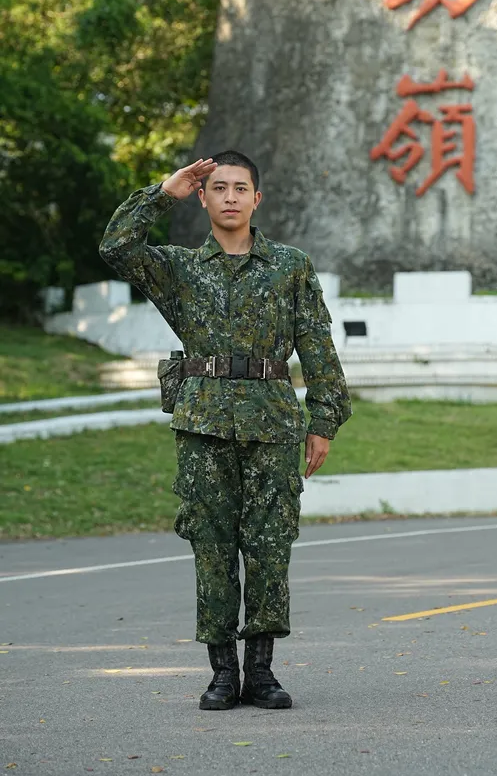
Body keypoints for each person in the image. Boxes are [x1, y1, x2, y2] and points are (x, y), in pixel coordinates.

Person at [99, 150, 351, 712]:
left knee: (268, 546)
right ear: (205, 198)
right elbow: (116, 246)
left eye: (241, 188)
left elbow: (317, 345)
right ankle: (221, 673)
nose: (231, 196)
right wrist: (165, 192)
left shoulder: (290, 265)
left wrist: (324, 421)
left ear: (257, 199)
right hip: (204, 426)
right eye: (218, 187)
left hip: (273, 423)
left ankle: (261, 672)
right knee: (210, 547)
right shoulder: (180, 269)